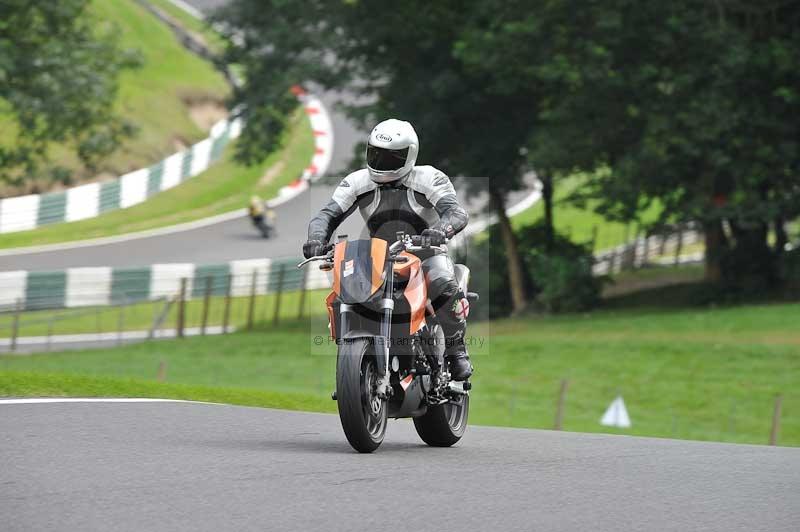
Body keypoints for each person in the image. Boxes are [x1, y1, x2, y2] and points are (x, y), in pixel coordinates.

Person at [302, 119, 472, 380]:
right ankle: (356, 355)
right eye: (376, 153)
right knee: (342, 292)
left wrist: (440, 231)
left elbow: (455, 212)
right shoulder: (357, 181)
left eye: (391, 157)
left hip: (427, 252)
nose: (381, 162)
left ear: (409, 155)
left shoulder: (429, 177)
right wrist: (316, 238)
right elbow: (326, 215)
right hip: (379, 256)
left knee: (441, 282)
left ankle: (455, 349)